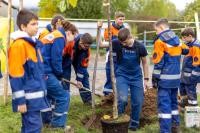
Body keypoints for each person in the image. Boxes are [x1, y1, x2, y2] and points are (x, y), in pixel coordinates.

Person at [8, 9, 49, 133]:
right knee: (34, 128)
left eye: (37, 23)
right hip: (28, 98)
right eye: (33, 24)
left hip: (34, 96)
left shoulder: (31, 44)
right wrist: (20, 102)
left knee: (29, 127)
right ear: (23, 26)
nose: (37, 27)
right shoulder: (19, 45)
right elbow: (15, 75)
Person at [40, 20, 78, 128]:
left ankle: (46, 122)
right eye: (74, 36)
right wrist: (59, 74)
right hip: (45, 72)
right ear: (69, 33)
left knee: (48, 96)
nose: (74, 40)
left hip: (40, 71)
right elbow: (56, 59)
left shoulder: (55, 35)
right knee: (64, 96)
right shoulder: (60, 37)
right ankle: (58, 125)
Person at [115, 28, 149, 131]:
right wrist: (99, 30)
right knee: (122, 99)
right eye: (121, 43)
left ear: (130, 37)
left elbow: (145, 62)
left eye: (124, 42)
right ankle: (119, 121)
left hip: (136, 77)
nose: (123, 44)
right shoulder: (118, 43)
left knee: (137, 101)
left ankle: (134, 125)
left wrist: (146, 79)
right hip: (122, 76)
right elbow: (102, 44)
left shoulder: (140, 47)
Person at [152, 18, 182, 133]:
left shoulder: (160, 41)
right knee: (174, 103)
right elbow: (185, 50)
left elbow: (158, 62)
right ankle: (176, 127)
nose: (156, 33)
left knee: (164, 106)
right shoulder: (177, 39)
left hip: (165, 80)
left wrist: (155, 78)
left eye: (156, 30)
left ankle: (165, 130)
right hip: (176, 79)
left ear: (161, 28)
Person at [62, 33, 93, 104]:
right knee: (65, 77)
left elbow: (83, 66)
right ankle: (65, 100)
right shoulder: (70, 43)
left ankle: (88, 100)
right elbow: (61, 55)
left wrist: (79, 80)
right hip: (67, 57)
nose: (87, 48)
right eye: (85, 46)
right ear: (80, 42)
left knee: (84, 76)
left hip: (78, 60)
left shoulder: (87, 51)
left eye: (88, 46)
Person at [102, 11, 125, 96]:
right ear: (115, 19)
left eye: (123, 19)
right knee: (110, 74)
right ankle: (107, 94)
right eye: (120, 19)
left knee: (120, 74)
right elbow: (106, 41)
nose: (122, 21)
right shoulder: (109, 28)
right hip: (111, 54)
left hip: (121, 55)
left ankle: (119, 93)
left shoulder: (124, 29)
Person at [179, 27, 200, 107]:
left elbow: (197, 63)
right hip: (185, 74)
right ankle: (184, 103)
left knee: (190, 91)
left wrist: (193, 77)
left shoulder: (196, 46)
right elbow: (184, 51)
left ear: (190, 36)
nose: (183, 39)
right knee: (182, 88)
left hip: (191, 75)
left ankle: (193, 106)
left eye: (184, 38)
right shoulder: (189, 44)